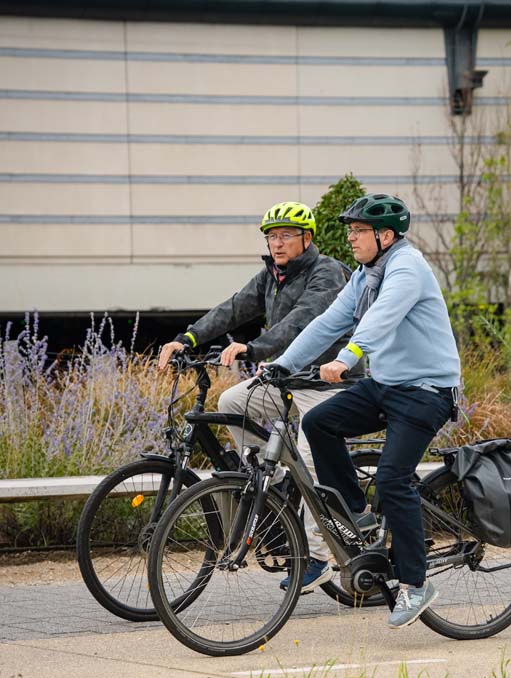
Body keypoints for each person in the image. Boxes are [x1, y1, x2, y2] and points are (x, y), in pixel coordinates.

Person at [271, 193, 461, 628]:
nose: (351, 238)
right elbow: (329, 322)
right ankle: (356, 514)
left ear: (386, 235)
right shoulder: (365, 274)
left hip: (426, 391)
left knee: (393, 479)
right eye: (351, 231)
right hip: (387, 385)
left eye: (359, 231)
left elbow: (382, 318)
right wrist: (283, 364)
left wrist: (347, 357)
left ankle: (415, 584)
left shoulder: (407, 268)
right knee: (319, 422)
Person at [158, 200, 364, 592]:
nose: (277, 243)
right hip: (288, 378)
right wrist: (188, 338)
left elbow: (301, 323)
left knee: (313, 462)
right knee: (232, 402)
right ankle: (277, 483)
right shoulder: (271, 276)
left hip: (326, 383)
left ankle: (318, 557)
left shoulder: (327, 273)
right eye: (272, 237)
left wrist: (254, 349)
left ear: (307, 238)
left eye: (286, 235)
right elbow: (234, 308)